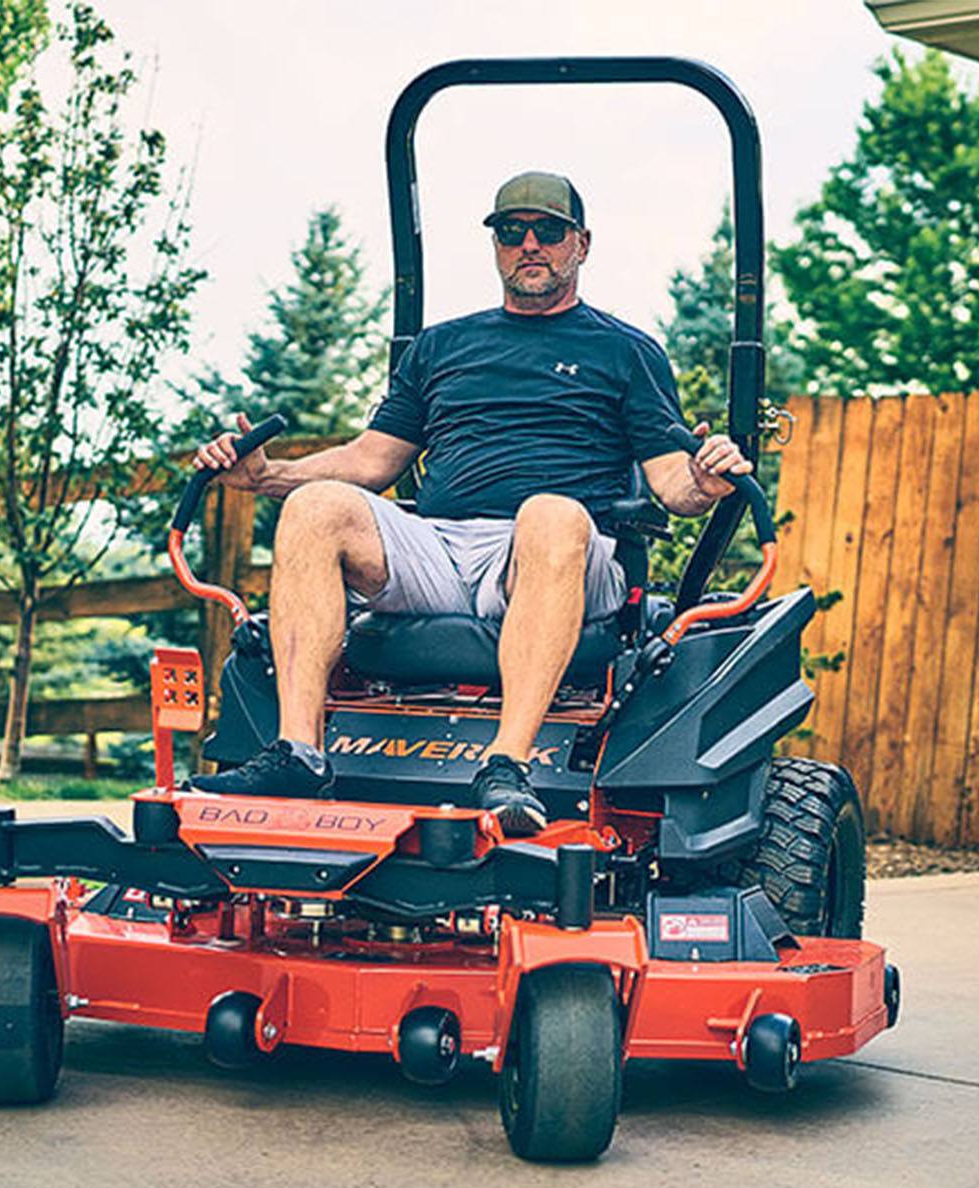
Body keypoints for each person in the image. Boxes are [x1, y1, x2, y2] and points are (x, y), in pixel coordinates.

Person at [189, 171, 753, 833]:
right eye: (512, 232)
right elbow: (371, 460)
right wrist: (267, 475)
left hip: (557, 556)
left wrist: (706, 482)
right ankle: (298, 752)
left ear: (582, 243)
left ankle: (507, 764)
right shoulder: (443, 347)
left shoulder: (624, 351)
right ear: (496, 245)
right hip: (440, 546)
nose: (530, 245)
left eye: (549, 231)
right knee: (316, 508)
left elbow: (672, 483)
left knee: (549, 512)